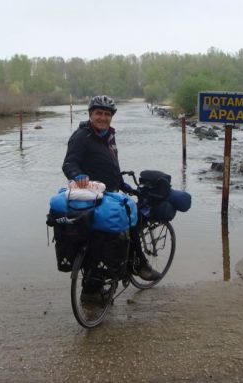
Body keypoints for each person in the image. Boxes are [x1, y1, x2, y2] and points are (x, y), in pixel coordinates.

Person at [62, 95, 160, 302]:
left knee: (127, 223)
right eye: (99, 113)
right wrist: (77, 175)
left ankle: (94, 288)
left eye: (107, 114)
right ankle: (140, 264)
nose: (103, 118)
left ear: (111, 117)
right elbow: (69, 163)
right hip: (93, 195)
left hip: (112, 191)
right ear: (90, 115)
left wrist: (123, 185)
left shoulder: (109, 136)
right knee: (131, 219)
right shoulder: (81, 137)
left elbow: (111, 165)